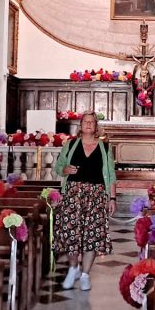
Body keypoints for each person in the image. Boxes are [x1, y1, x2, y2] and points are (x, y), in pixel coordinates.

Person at [52, 111, 117, 291]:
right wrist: (65, 169)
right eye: (85, 122)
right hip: (72, 195)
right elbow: (58, 167)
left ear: (96, 126)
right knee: (70, 234)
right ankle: (73, 268)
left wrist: (112, 198)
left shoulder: (104, 148)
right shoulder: (70, 145)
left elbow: (111, 175)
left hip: (96, 196)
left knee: (92, 236)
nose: (88, 124)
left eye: (92, 122)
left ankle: (86, 274)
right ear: (80, 125)